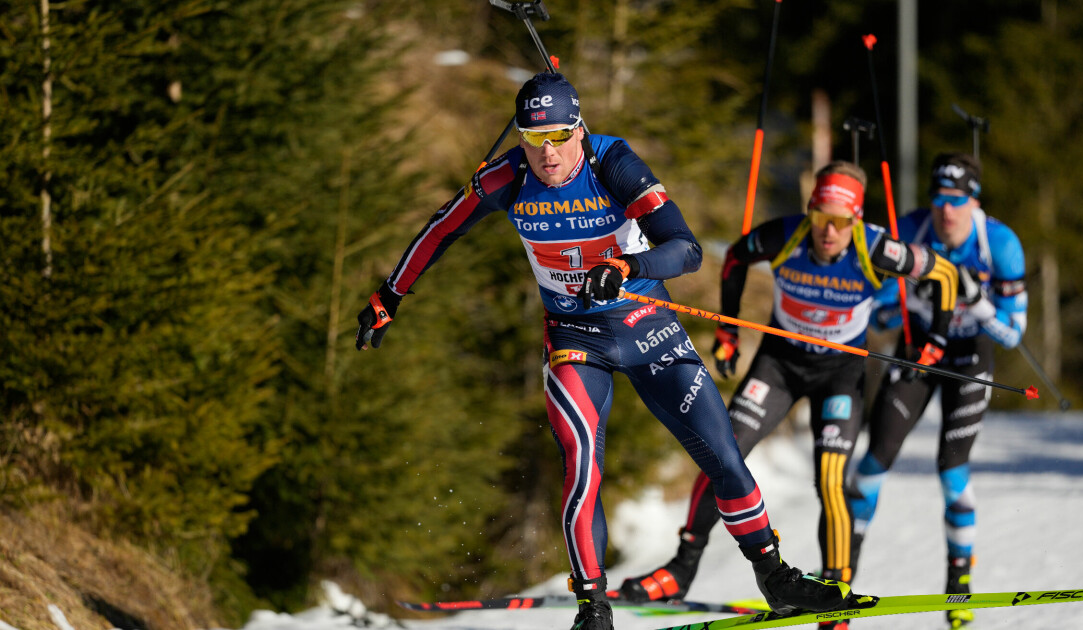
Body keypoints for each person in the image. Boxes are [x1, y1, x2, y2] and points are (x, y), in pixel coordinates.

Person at [354, 72, 855, 630]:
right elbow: (439, 229)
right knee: (582, 465)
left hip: (648, 325)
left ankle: (775, 578)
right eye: (532, 138)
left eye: (559, 137)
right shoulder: (506, 178)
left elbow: (686, 250)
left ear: (579, 128)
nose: (547, 153)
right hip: (575, 336)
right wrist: (389, 295)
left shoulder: (612, 163)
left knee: (725, 456)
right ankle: (593, 607)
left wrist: (627, 267)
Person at [617, 161, 959, 625]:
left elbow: (944, 275)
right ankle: (682, 567)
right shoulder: (787, 235)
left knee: (830, 479)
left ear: (856, 220)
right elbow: (736, 256)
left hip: (840, 372)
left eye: (840, 221)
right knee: (723, 454)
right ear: (810, 213)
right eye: (820, 218)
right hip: (779, 364)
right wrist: (730, 333)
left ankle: (835, 594)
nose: (828, 231)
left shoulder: (878, 248)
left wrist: (936, 339)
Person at [847, 152, 1027, 629]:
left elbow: (1014, 334)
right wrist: (888, 308)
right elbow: (880, 305)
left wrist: (976, 301)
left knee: (952, 470)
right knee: (874, 458)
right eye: (939, 199)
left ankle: (958, 588)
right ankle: (840, 574)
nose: (946, 210)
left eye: (957, 200)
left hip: (969, 356)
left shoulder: (1000, 244)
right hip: (918, 349)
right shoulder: (911, 230)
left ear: (974, 201)